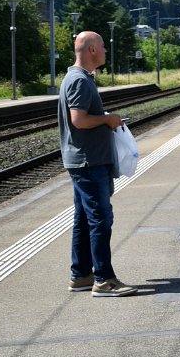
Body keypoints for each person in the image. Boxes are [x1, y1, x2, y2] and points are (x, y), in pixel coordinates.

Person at [58, 31, 137, 297]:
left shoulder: (80, 78)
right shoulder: (79, 80)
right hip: (88, 162)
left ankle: (81, 275)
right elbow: (79, 120)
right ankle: (104, 280)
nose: (105, 49)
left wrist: (105, 118)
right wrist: (107, 119)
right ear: (91, 49)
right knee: (100, 219)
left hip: (84, 160)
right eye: (102, 46)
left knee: (83, 218)